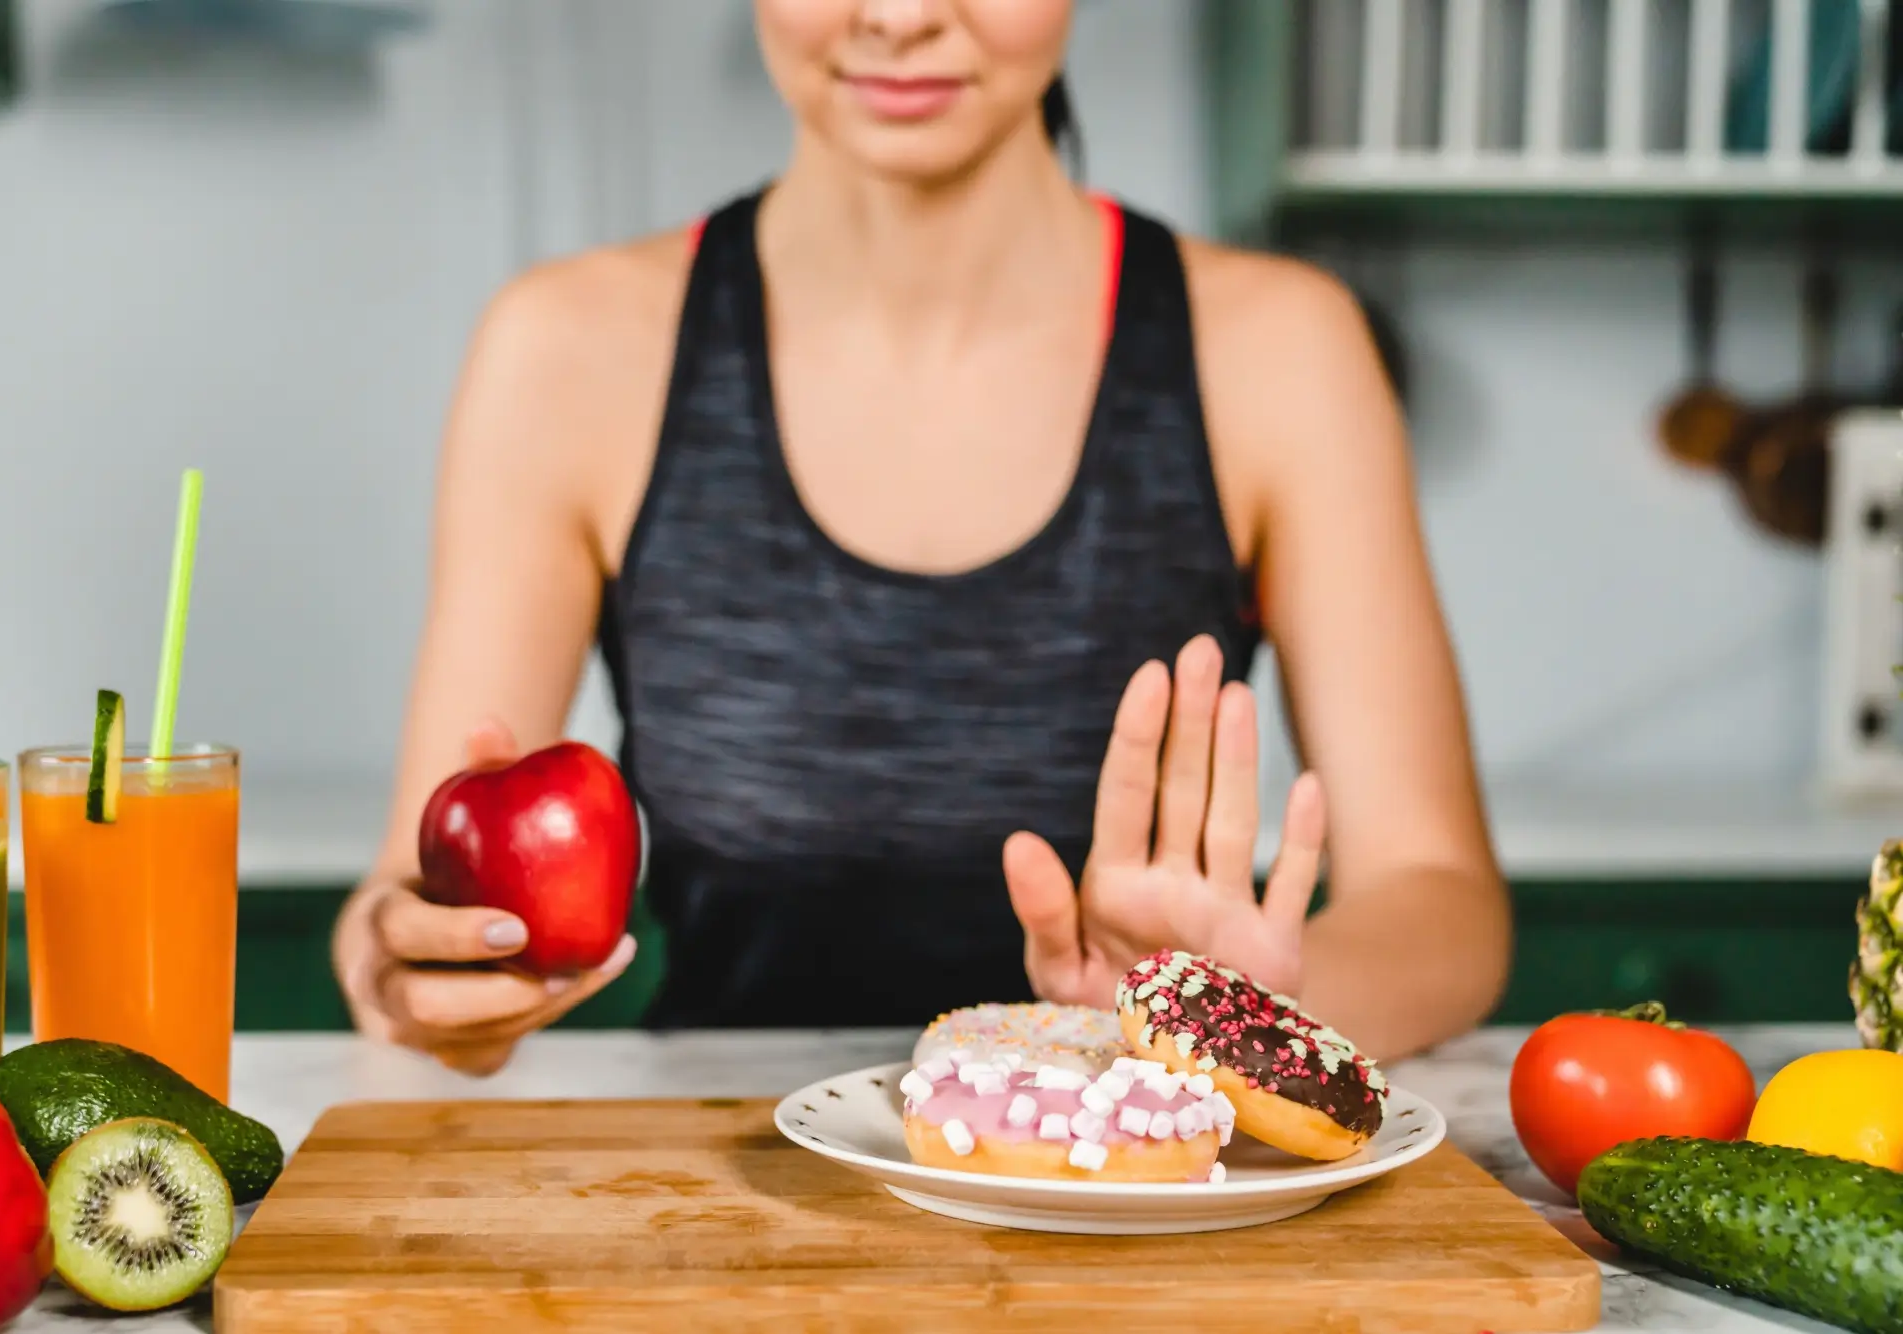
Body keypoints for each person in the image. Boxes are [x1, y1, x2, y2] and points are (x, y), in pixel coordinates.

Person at [331, 0, 1511, 1078]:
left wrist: (1231, 1011)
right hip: (720, 1208)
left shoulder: (1280, 347)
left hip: (1138, 1212)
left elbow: (1439, 897)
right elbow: (399, 895)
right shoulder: (565, 348)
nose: (898, 16)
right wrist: (414, 964)